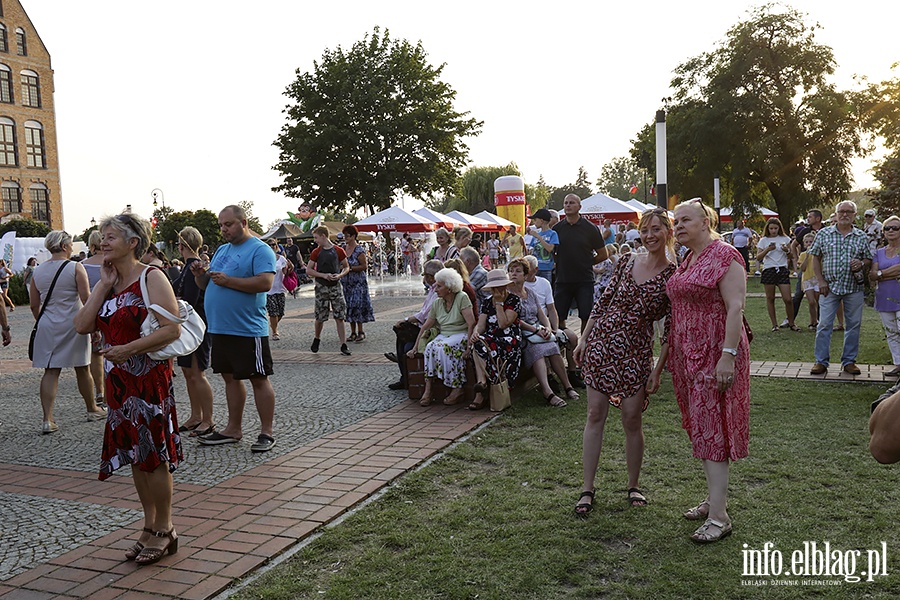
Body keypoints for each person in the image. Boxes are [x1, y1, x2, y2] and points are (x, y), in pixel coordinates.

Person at [73, 213, 181, 565]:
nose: (103, 242)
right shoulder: (110, 280)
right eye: (102, 237)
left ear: (133, 242)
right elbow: (82, 325)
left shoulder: (152, 277)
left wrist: (129, 349)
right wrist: (103, 285)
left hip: (149, 379)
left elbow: (172, 329)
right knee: (136, 456)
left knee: (153, 457)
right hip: (119, 383)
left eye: (110, 237)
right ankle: (148, 526)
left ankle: (166, 529)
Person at [573, 208, 676, 515]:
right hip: (602, 342)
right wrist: (583, 337)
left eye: (656, 229)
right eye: (645, 229)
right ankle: (587, 489)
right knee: (594, 414)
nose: (649, 235)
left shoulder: (674, 274)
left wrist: (658, 369)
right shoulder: (626, 260)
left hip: (636, 349)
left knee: (632, 418)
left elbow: (670, 327)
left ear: (668, 232)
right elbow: (602, 301)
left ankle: (634, 485)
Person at [666, 199, 750, 543]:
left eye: (685, 220)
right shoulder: (688, 258)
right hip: (689, 355)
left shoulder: (726, 255)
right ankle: (714, 500)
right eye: (676, 221)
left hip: (717, 354)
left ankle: (719, 517)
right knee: (702, 429)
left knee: (714, 430)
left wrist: (727, 356)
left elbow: (736, 308)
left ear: (706, 222)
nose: (678, 226)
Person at [192, 204, 278, 453]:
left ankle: (266, 432)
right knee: (230, 378)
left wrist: (229, 281)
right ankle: (233, 429)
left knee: (258, 378)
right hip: (220, 327)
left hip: (247, 328)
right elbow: (206, 285)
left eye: (228, 224)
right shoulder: (222, 250)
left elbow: (265, 282)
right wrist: (200, 275)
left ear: (243, 223)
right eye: (221, 225)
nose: (223, 229)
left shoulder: (259, 249)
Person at [30, 231, 105, 433]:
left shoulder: (38, 271)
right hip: (73, 322)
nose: (72, 247)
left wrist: (43, 321)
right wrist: (93, 326)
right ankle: (92, 409)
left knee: (51, 370)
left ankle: (48, 419)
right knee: (82, 367)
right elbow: (86, 298)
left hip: (47, 324)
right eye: (71, 244)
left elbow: (34, 305)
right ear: (64, 247)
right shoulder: (75, 267)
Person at [809, 201, 872, 376]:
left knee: (853, 325)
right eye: (842, 211)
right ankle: (820, 362)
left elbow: (868, 259)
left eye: (849, 212)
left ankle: (849, 361)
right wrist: (820, 280)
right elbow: (815, 258)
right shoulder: (823, 234)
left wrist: (861, 263)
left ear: (854, 215)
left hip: (853, 287)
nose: (845, 214)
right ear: (836, 214)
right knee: (824, 324)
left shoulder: (861, 236)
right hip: (829, 287)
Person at [508, 257, 578, 407]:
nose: (513, 274)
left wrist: (547, 327)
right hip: (520, 332)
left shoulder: (530, 292)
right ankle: (547, 392)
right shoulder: (507, 295)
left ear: (525, 276)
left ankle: (568, 386)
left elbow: (541, 313)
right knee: (538, 350)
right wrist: (535, 330)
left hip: (537, 329)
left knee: (553, 346)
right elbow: (515, 320)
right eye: (511, 271)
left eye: (518, 271)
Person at [407, 267, 476, 407]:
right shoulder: (438, 302)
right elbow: (426, 325)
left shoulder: (462, 297)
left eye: (439, 286)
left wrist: (469, 348)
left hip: (460, 333)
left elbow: (471, 323)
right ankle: (428, 389)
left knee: (444, 348)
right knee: (430, 347)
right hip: (444, 334)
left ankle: (457, 388)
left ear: (449, 287)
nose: (435, 289)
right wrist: (415, 347)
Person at [171, 226, 215, 437]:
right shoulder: (192, 267)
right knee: (189, 373)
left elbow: (189, 298)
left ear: (181, 246)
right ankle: (196, 415)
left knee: (196, 373)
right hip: (191, 326)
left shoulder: (193, 267)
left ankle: (207, 418)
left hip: (196, 327)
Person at [552, 194, 608, 331]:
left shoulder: (590, 228)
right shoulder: (557, 229)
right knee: (559, 316)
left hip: (584, 280)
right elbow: (551, 252)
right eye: (565, 203)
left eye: (571, 203)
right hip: (562, 279)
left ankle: (583, 348)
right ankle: (566, 347)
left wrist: (587, 263)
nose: (568, 205)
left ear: (579, 207)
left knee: (586, 316)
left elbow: (603, 254)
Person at [468, 269, 523, 410]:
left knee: (482, 345)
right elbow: (480, 325)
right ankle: (482, 382)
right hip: (490, 337)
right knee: (478, 343)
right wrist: (475, 333)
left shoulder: (514, 300)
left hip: (509, 338)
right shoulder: (486, 302)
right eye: (495, 287)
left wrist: (499, 304)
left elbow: (503, 324)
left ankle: (481, 389)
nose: (498, 290)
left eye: (501, 286)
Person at [385, 259, 444, 390]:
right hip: (426, 324)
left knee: (405, 340)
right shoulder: (433, 288)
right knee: (401, 335)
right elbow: (423, 311)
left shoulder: (438, 290)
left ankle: (407, 377)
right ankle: (404, 376)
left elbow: (424, 315)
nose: (427, 279)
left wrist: (406, 320)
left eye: (429, 276)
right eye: (426, 276)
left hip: (433, 329)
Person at [307, 225, 352, 355]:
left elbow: (346, 267)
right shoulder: (316, 252)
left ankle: (343, 344)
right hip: (322, 286)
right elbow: (309, 270)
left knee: (340, 316)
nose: (315, 240)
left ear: (323, 236)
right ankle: (317, 338)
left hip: (335, 285)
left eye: (316, 237)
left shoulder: (338, 250)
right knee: (320, 316)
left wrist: (339, 275)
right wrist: (323, 275)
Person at [756, 217, 799, 332]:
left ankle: (791, 323)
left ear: (779, 228)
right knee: (770, 298)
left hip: (782, 269)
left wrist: (787, 251)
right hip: (769, 269)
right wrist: (768, 249)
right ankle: (774, 324)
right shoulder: (763, 240)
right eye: (771, 228)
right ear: (768, 229)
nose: (773, 230)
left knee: (788, 299)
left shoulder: (785, 238)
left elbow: (791, 256)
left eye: (775, 228)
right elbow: (758, 257)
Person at [870, 215, 900, 377]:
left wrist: (881, 273)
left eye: (895, 228)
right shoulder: (879, 252)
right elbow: (873, 275)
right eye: (887, 228)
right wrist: (889, 273)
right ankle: (898, 364)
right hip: (884, 297)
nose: (891, 231)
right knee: (891, 332)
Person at [81, 231, 107, 406]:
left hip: (92, 311)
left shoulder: (82, 265)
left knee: (96, 354)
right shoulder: (112, 264)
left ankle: (100, 391)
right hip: (113, 310)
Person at [788, 209, 824, 326]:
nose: (808, 219)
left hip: (821, 267)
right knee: (798, 294)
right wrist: (797, 258)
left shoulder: (826, 230)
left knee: (820, 297)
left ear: (818, 218)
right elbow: (794, 244)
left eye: (810, 217)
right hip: (806, 267)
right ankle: (790, 319)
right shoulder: (805, 231)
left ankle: (818, 321)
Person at [341, 225, 375, 342]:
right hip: (346, 283)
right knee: (349, 306)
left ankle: (361, 331)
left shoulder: (359, 250)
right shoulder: (343, 248)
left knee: (357, 306)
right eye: (344, 235)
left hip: (358, 283)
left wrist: (350, 269)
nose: (345, 238)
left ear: (354, 236)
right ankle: (353, 332)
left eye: (347, 236)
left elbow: (364, 266)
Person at [265, 239, 289, 340]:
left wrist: (289, 268)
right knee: (273, 312)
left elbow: (285, 272)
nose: (272, 247)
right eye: (269, 245)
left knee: (280, 312)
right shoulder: (264, 259)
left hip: (280, 288)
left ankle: (273, 324)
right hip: (268, 290)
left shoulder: (282, 259)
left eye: (273, 245)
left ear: (277, 246)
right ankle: (275, 332)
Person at [527, 208, 559, 282]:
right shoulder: (536, 234)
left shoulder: (552, 234)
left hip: (547, 269)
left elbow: (550, 248)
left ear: (541, 220)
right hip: (535, 268)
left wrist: (539, 237)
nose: (534, 222)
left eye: (535, 220)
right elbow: (531, 249)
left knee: (546, 288)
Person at [796, 232, 820, 329]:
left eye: (811, 242)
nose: (809, 244)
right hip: (807, 279)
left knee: (818, 301)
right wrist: (807, 256)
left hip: (817, 279)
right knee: (811, 302)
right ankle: (812, 321)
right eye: (807, 242)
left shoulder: (818, 254)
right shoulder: (802, 254)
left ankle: (818, 320)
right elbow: (803, 268)